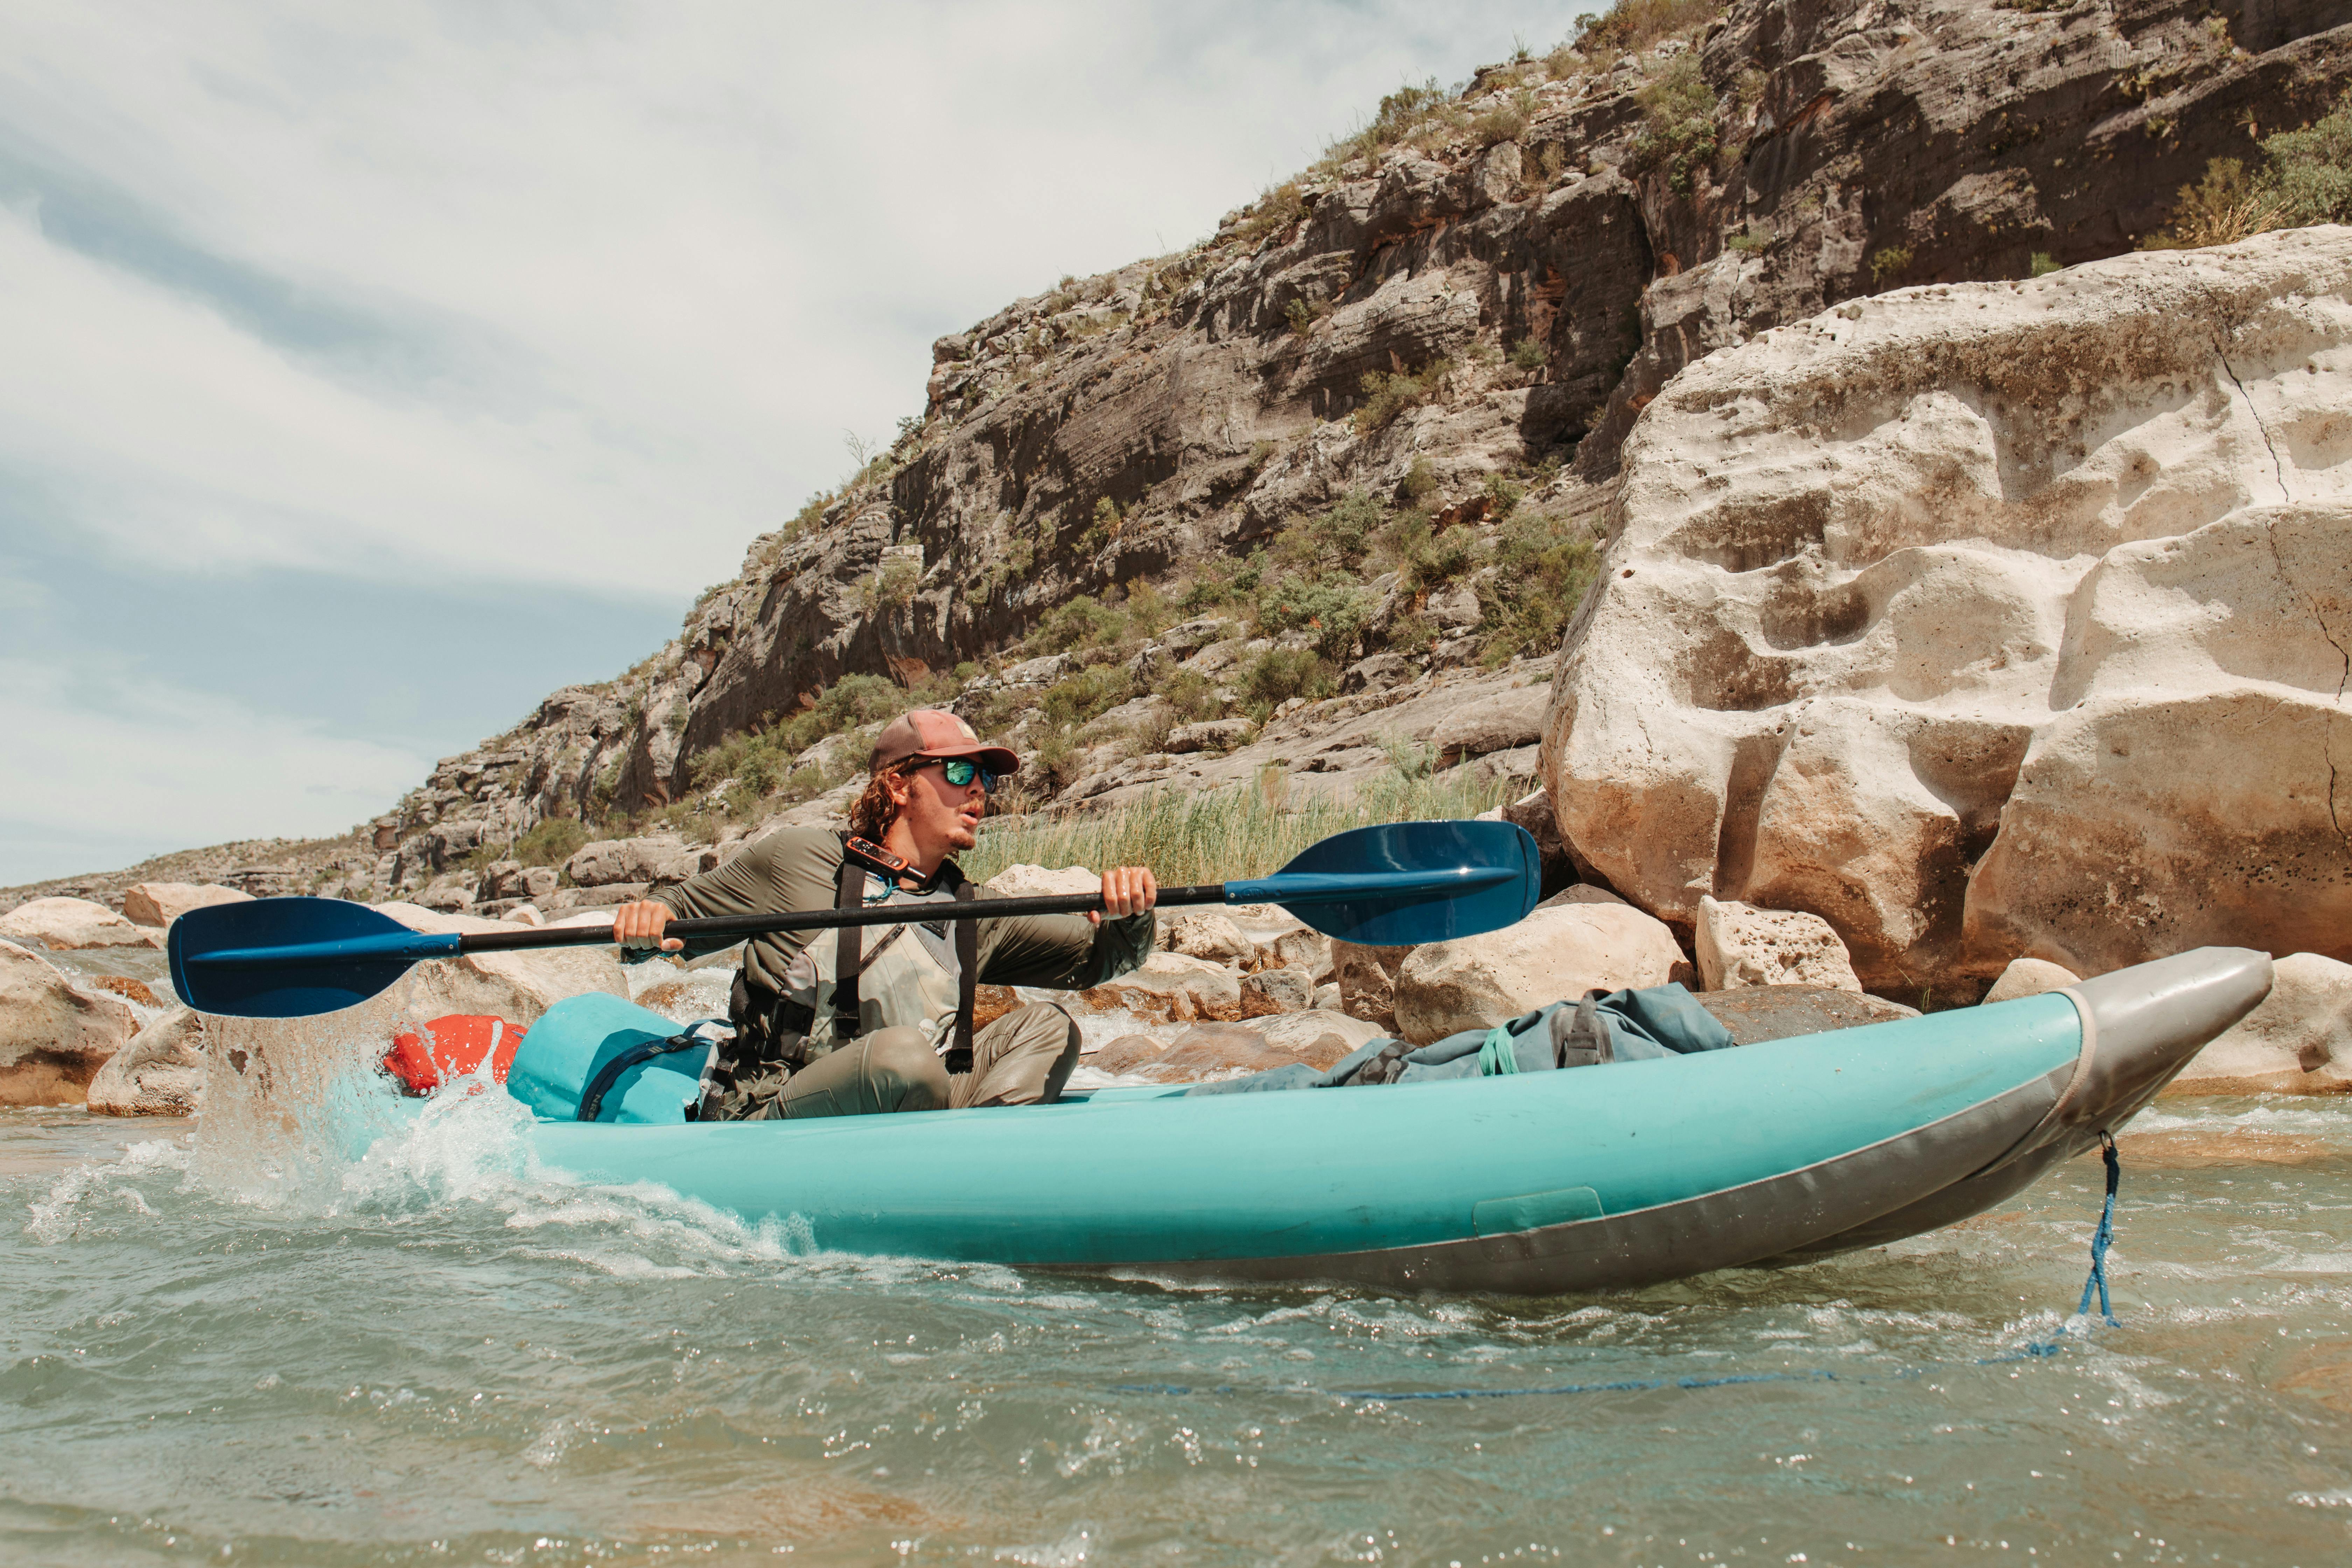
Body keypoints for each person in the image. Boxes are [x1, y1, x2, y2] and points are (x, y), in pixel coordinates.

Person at [608, 708, 1157, 1120]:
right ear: (898, 784)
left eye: (986, 780)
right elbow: (673, 919)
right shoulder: (796, 858)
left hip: (918, 1109)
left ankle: (984, 1167)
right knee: (903, 1056)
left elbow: (1104, 958)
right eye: (961, 775)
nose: (980, 795)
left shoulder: (971, 911)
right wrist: (645, 925)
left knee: (1047, 1027)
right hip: (778, 1112)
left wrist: (1130, 915)